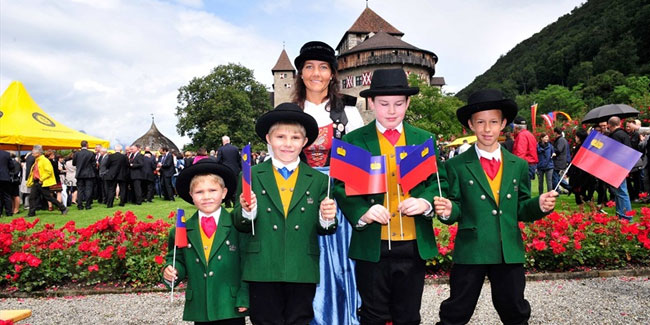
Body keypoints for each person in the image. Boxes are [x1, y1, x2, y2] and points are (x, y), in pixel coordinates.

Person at [433, 89, 557, 325]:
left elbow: (520, 207)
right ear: (471, 124)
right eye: (480, 122)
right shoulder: (457, 165)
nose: (487, 129)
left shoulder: (518, 165)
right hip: (472, 249)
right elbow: (456, 206)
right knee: (456, 311)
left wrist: (538, 205)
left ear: (504, 124)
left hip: (507, 250)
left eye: (493, 122)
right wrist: (449, 210)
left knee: (515, 310)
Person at [333, 68, 446, 325]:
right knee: (373, 315)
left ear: (408, 102)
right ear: (371, 103)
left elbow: (440, 182)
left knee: (408, 315)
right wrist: (362, 211)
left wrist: (425, 202)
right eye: (384, 104)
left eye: (398, 104)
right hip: (373, 246)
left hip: (412, 244)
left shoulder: (424, 139)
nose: (392, 111)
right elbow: (340, 186)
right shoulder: (353, 140)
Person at [233, 103, 338, 324]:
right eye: (280, 137)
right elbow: (240, 223)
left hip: (301, 267)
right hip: (262, 267)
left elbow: (326, 228)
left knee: (299, 319)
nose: (288, 144)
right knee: (264, 320)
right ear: (268, 139)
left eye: (295, 138)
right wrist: (247, 210)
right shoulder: (250, 174)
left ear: (305, 142)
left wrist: (327, 216)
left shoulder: (320, 180)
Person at [292, 40, 365, 324]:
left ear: (332, 74)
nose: (316, 73)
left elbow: (359, 163)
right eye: (309, 67)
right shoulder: (289, 110)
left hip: (340, 195)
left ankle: (344, 316)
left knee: (342, 263)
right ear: (300, 73)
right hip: (299, 195)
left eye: (323, 67)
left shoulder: (349, 112)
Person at [163, 159, 249, 324]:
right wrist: (172, 270)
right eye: (199, 192)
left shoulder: (237, 225)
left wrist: (244, 295)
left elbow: (247, 262)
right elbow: (177, 258)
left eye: (212, 190)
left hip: (229, 304)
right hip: (200, 305)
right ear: (191, 196)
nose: (206, 196)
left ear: (224, 193)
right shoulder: (181, 230)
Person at [27, 145, 69, 217]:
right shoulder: (37, 160)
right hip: (37, 181)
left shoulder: (44, 160)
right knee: (32, 197)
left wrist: (41, 179)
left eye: (33, 152)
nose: (32, 153)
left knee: (48, 197)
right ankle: (31, 213)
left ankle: (63, 208)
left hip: (41, 182)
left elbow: (49, 172)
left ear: (39, 153)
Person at [608, 116, 633, 220]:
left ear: (609, 125)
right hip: (624, 165)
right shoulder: (624, 134)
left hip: (618, 166)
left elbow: (613, 153)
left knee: (621, 192)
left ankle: (626, 216)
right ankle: (620, 214)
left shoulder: (615, 135)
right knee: (620, 192)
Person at [568, 129, 598, 213]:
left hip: (580, 174)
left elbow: (575, 160)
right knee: (585, 193)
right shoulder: (589, 146)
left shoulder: (580, 147)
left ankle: (586, 210)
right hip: (588, 173)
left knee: (579, 193)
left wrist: (570, 172)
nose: (575, 138)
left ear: (579, 137)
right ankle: (592, 210)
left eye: (576, 137)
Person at [73, 140, 96, 210]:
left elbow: (74, 163)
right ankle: (88, 205)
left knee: (80, 189)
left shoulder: (77, 154)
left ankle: (79, 205)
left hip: (79, 174)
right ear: (87, 145)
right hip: (89, 174)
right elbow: (94, 164)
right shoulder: (91, 153)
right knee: (88, 189)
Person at [552, 127, 570, 193]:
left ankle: (556, 190)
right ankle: (569, 188)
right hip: (560, 161)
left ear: (556, 133)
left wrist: (552, 149)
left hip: (558, 161)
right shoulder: (561, 139)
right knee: (558, 178)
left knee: (555, 177)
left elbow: (559, 149)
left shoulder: (561, 140)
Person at [0, 149, 14, 216]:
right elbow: (11, 166)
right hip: (5, 177)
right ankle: (9, 212)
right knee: (7, 195)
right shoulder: (7, 154)